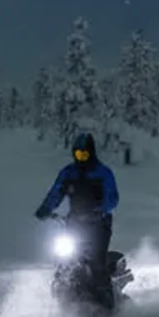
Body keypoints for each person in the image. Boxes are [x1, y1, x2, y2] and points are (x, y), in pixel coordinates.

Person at [35, 131, 121, 306]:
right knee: (64, 261)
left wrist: (101, 210)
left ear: (92, 153)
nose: (81, 158)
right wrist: (45, 208)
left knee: (96, 263)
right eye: (78, 154)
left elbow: (113, 198)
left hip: (99, 224)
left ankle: (108, 305)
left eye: (84, 154)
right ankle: (62, 300)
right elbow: (56, 192)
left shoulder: (102, 172)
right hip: (74, 223)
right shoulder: (68, 173)